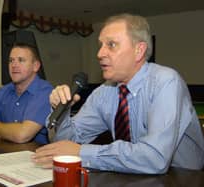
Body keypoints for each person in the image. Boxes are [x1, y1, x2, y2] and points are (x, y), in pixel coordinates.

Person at [32, 13, 204, 174]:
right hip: (130, 176)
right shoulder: (104, 92)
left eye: (111, 45)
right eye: (100, 46)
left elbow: (155, 158)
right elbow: (69, 141)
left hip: (182, 178)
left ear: (139, 50)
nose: (99, 54)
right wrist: (62, 111)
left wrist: (82, 153)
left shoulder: (166, 82)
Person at [0, 43, 53, 144]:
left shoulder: (45, 92)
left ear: (35, 66)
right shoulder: (4, 91)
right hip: (6, 153)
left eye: (21, 60)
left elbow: (22, 135)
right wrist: (8, 134)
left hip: (35, 156)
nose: (14, 65)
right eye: (11, 60)